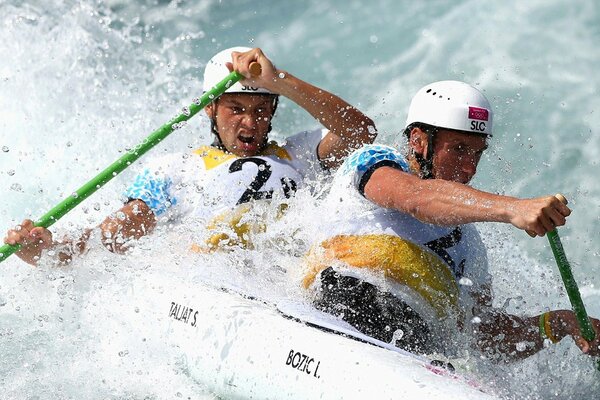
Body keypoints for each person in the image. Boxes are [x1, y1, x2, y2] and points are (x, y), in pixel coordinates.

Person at [303, 80, 600, 360]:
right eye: (459, 149)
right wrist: (513, 208)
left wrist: (559, 323)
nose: (470, 167)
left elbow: (480, 336)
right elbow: (417, 199)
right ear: (418, 141)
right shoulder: (375, 161)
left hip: (409, 352)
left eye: (477, 153)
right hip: (332, 311)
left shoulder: (469, 246)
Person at [4, 46, 376, 265]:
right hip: (220, 286)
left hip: (297, 277)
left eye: (262, 108)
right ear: (209, 109)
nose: (251, 121)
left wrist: (280, 81)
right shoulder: (174, 169)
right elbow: (112, 238)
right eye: (235, 108)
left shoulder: (300, 153)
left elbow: (362, 133)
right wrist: (49, 249)